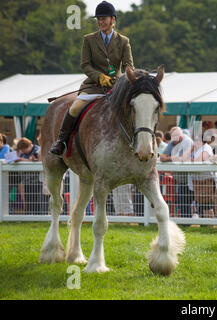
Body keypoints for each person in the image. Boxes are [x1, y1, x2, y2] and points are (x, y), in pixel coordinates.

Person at [50, 1, 134, 156]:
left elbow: (129, 66)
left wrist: (121, 80)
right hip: (93, 85)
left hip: (116, 86)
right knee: (75, 107)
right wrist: (99, 77)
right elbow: (85, 65)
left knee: (135, 107)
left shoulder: (123, 41)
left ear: (113, 20)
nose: (100, 22)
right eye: (99, 19)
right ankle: (61, 140)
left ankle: (138, 142)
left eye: (104, 19)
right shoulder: (89, 39)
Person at [160, 127, 194, 217]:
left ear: (180, 136)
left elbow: (183, 158)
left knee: (186, 201)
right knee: (181, 200)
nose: (173, 142)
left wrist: (173, 158)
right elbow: (162, 157)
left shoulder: (187, 141)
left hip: (189, 177)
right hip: (179, 178)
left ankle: (187, 221)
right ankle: (184, 221)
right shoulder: (172, 142)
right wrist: (173, 158)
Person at [190, 132, 217, 218]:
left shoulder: (206, 148)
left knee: (208, 203)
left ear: (202, 141)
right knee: (202, 203)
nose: (195, 142)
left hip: (208, 180)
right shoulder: (198, 149)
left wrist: (189, 159)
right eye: (194, 140)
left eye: (197, 140)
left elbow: (198, 160)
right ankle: (205, 223)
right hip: (200, 180)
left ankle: (211, 223)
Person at [16, 138, 48, 215]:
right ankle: (29, 216)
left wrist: (21, 159)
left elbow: (37, 161)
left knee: (37, 201)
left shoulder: (37, 150)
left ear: (29, 146)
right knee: (29, 201)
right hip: (27, 181)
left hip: (37, 181)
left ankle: (39, 217)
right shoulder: (22, 153)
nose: (23, 151)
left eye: (24, 149)